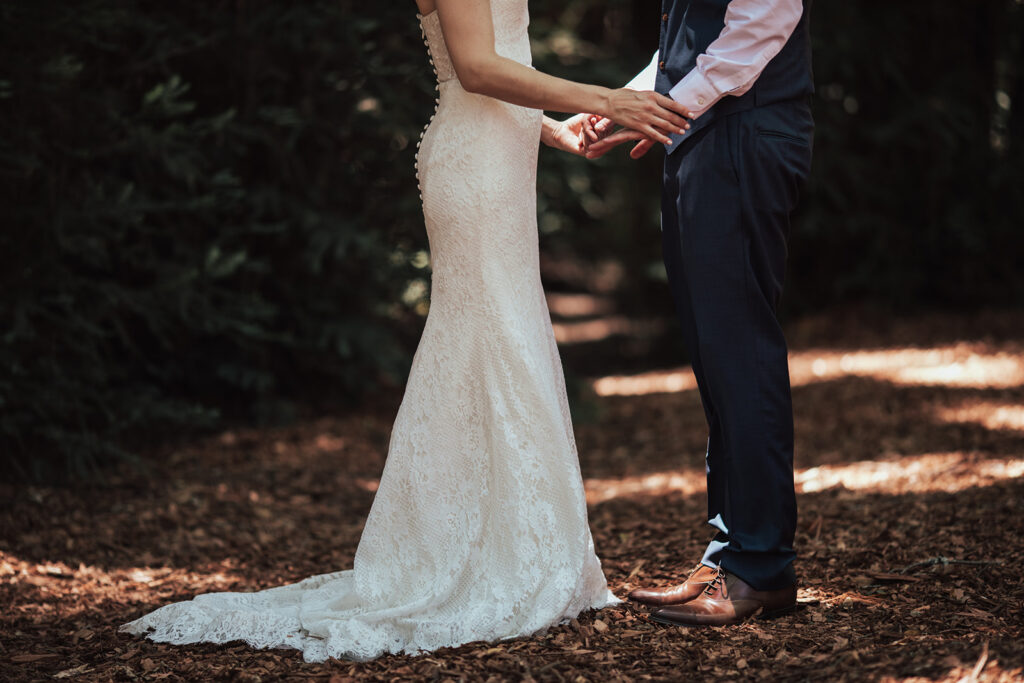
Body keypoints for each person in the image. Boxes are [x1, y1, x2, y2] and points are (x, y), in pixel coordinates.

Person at [119, 0, 691, 662]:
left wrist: (555, 132)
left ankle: (514, 546)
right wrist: (607, 99)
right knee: (488, 340)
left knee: (507, 342)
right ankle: (463, 557)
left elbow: (505, 60)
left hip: (501, 161)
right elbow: (476, 68)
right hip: (472, 169)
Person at [583, 0, 815, 627]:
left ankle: (762, 568)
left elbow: (760, 25)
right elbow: (683, 45)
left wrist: (662, 109)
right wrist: (619, 104)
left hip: (742, 135)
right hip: (702, 136)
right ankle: (729, 552)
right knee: (716, 358)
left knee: (741, 352)